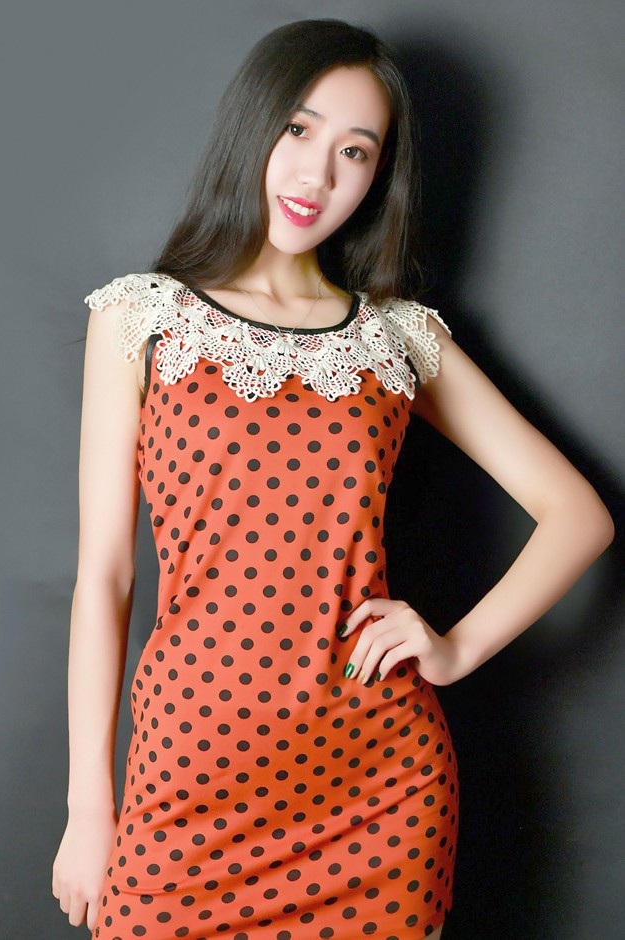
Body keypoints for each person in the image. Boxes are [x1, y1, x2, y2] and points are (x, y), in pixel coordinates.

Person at [51, 19, 613, 940]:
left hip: (377, 794)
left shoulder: (396, 335)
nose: (316, 175)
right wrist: (89, 808)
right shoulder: (141, 319)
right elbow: (105, 578)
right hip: (187, 778)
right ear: (253, 125)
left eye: (355, 151)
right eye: (298, 130)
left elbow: (578, 516)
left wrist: (455, 649)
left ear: (379, 174)